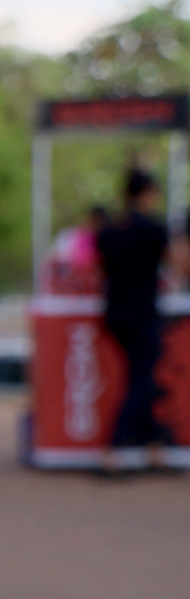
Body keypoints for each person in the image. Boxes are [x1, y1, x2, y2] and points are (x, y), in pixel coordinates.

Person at [95, 168, 189, 472]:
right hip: (141, 315)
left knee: (142, 377)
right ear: (147, 194)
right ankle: (113, 450)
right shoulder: (152, 228)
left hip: (114, 315)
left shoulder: (109, 231)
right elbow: (177, 265)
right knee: (142, 381)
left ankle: (154, 448)